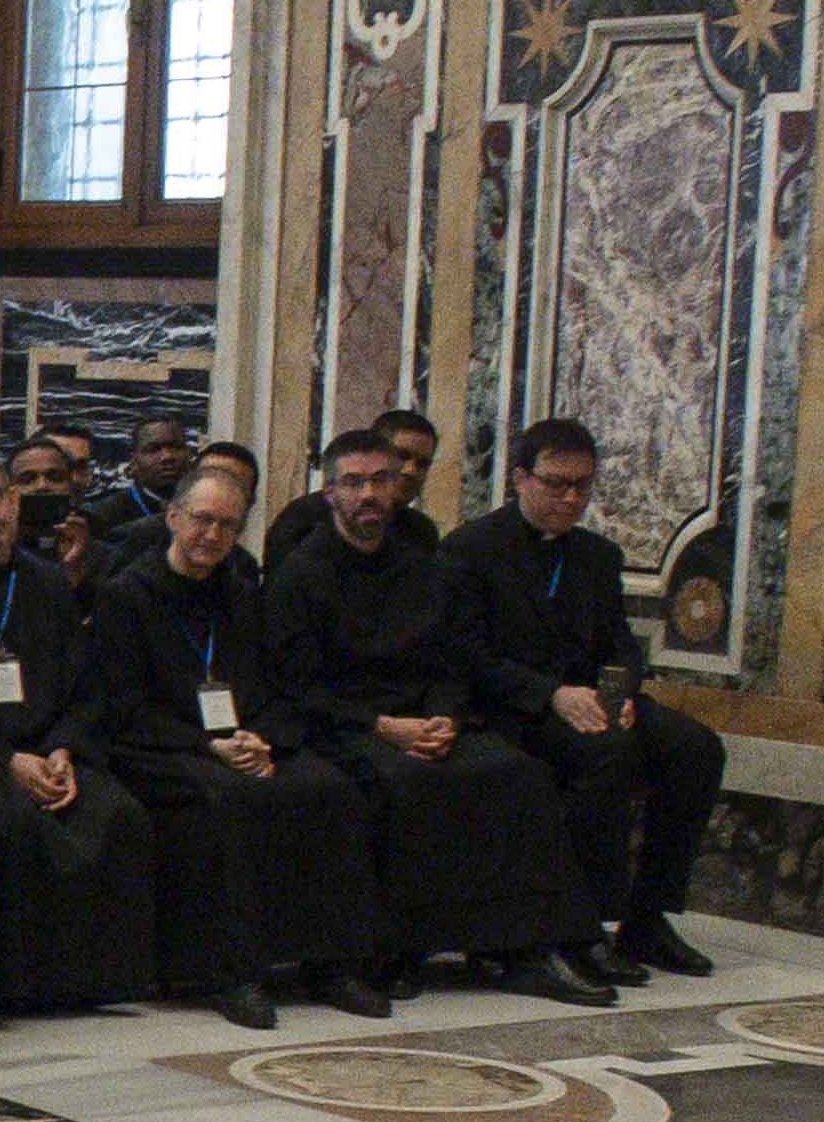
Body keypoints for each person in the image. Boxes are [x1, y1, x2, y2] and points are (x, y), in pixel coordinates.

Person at [260, 429, 607, 1002]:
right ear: (330, 494)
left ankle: (527, 948)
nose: (370, 494)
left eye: (382, 480)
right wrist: (384, 728)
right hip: (347, 725)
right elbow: (296, 687)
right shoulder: (300, 575)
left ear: (399, 488)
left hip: (426, 718)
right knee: (402, 783)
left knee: (517, 774)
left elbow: (451, 659)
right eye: (355, 482)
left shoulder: (423, 568)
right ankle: (397, 950)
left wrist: (444, 716)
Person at [89, 455, 381, 1026]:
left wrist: (258, 736)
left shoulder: (243, 595)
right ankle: (231, 973)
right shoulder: (127, 594)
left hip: (242, 742)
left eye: (227, 525)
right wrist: (209, 746)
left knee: (331, 790)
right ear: (173, 517)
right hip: (157, 747)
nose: (212, 535)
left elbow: (275, 687)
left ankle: (332, 963)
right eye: (202, 520)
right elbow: (123, 706)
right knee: (225, 801)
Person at [437, 420, 724, 981]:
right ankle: (584, 924)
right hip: (515, 708)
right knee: (607, 755)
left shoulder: (596, 555)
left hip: (593, 702)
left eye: (583, 486)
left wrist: (618, 694)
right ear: (521, 478)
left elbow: (618, 642)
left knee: (696, 748)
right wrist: (551, 695)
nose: (571, 498)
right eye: (556, 483)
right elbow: (465, 654)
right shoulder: (470, 549)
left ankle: (648, 917)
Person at [0, 450, 153, 1020]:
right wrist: (6, 760)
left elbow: (86, 685)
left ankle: (91, 980)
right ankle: (8, 987)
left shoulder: (45, 583)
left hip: (50, 750)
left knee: (120, 814)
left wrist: (64, 748)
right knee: (8, 824)